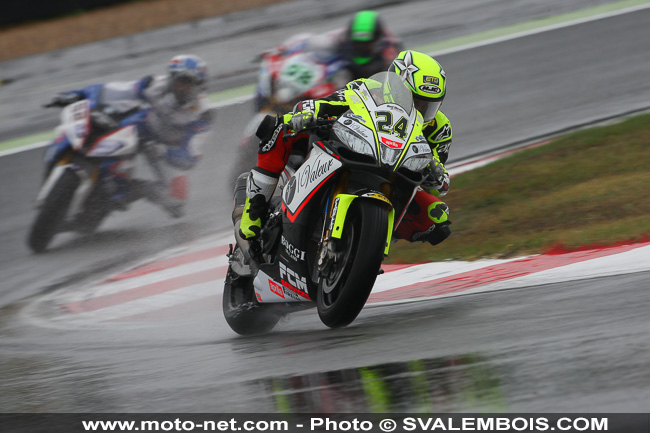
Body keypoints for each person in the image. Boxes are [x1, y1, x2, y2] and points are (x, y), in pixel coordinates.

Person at [239, 50, 452, 247]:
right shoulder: (367, 89)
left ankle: (369, 243)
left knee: (437, 219)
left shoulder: (439, 129)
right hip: (352, 148)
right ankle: (254, 209)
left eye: (428, 106)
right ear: (395, 87)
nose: (421, 110)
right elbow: (329, 103)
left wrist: (437, 175)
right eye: (415, 102)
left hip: (396, 175)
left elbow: (438, 180)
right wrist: (307, 111)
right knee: (277, 127)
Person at [46, 54, 214, 218]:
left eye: (188, 83)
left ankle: (140, 189)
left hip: (168, 147)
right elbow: (107, 90)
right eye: (179, 81)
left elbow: (190, 159)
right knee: (120, 117)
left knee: (176, 201)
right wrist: (77, 94)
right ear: (170, 79)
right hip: (143, 126)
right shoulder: (153, 85)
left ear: (200, 87)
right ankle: (91, 158)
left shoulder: (203, 114)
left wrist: (163, 150)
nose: (182, 87)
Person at [254, 10, 403, 112]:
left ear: (377, 41)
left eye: (366, 44)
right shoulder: (339, 38)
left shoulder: (390, 53)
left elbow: (398, 83)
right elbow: (304, 41)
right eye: (357, 43)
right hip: (346, 75)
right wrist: (283, 50)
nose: (361, 47)